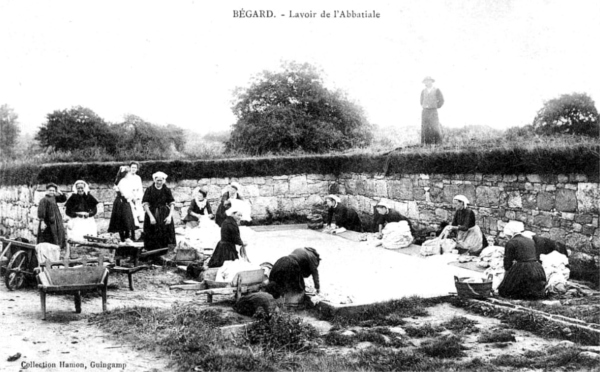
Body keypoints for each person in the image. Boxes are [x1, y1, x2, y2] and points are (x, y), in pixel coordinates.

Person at [498, 221, 547, 299]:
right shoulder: (530, 240)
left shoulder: (511, 243)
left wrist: (508, 277)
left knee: (505, 291)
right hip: (537, 269)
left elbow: (507, 264)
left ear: (509, 233)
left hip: (523, 269)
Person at [142, 171, 176, 251]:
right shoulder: (149, 190)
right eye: (158, 180)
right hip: (152, 213)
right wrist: (151, 217)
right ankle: (152, 253)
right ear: (154, 180)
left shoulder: (166, 190)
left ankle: (166, 252)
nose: (159, 182)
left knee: (166, 232)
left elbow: (172, 203)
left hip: (164, 213)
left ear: (163, 181)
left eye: (161, 180)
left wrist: (169, 216)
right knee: (151, 232)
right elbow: (145, 204)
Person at [207, 203, 248, 268]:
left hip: (222, 245)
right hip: (227, 249)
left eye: (241, 215)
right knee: (229, 265)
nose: (240, 217)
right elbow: (235, 238)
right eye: (238, 215)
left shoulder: (227, 221)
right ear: (233, 214)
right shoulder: (232, 224)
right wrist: (242, 243)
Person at [108, 166, 137, 242]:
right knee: (124, 219)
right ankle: (124, 238)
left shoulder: (122, 181)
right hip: (122, 201)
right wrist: (132, 198)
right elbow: (125, 193)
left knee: (125, 219)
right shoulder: (122, 181)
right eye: (128, 173)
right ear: (125, 174)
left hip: (123, 201)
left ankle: (125, 237)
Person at [37, 183, 67, 249]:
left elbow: (63, 199)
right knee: (49, 235)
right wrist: (42, 222)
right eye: (50, 190)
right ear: (47, 190)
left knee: (57, 233)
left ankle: (58, 247)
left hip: (56, 219)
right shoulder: (44, 200)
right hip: (48, 221)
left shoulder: (54, 198)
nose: (52, 192)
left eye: (53, 191)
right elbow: (41, 211)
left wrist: (60, 192)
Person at [420, 76, 444, 145]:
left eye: (429, 81)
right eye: (426, 81)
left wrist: (436, 106)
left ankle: (438, 144)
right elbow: (421, 101)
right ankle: (426, 145)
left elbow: (441, 100)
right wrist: (425, 106)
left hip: (433, 111)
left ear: (432, 82)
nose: (427, 82)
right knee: (425, 128)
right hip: (425, 111)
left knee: (435, 127)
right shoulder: (423, 91)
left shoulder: (436, 90)